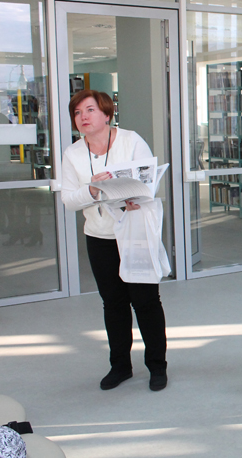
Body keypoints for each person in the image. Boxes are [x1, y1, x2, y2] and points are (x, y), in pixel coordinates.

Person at [61, 89, 168, 392]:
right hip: (100, 236)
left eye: (90, 110)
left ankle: (157, 366)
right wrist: (92, 190)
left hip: (134, 233)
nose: (83, 117)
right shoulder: (73, 154)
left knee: (146, 302)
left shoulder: (131, 141)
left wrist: (134, 197)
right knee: (113, 303)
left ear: (107, 114)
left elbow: (148, 183)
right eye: (77, 113)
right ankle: (120, 366)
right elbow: (69, 200)